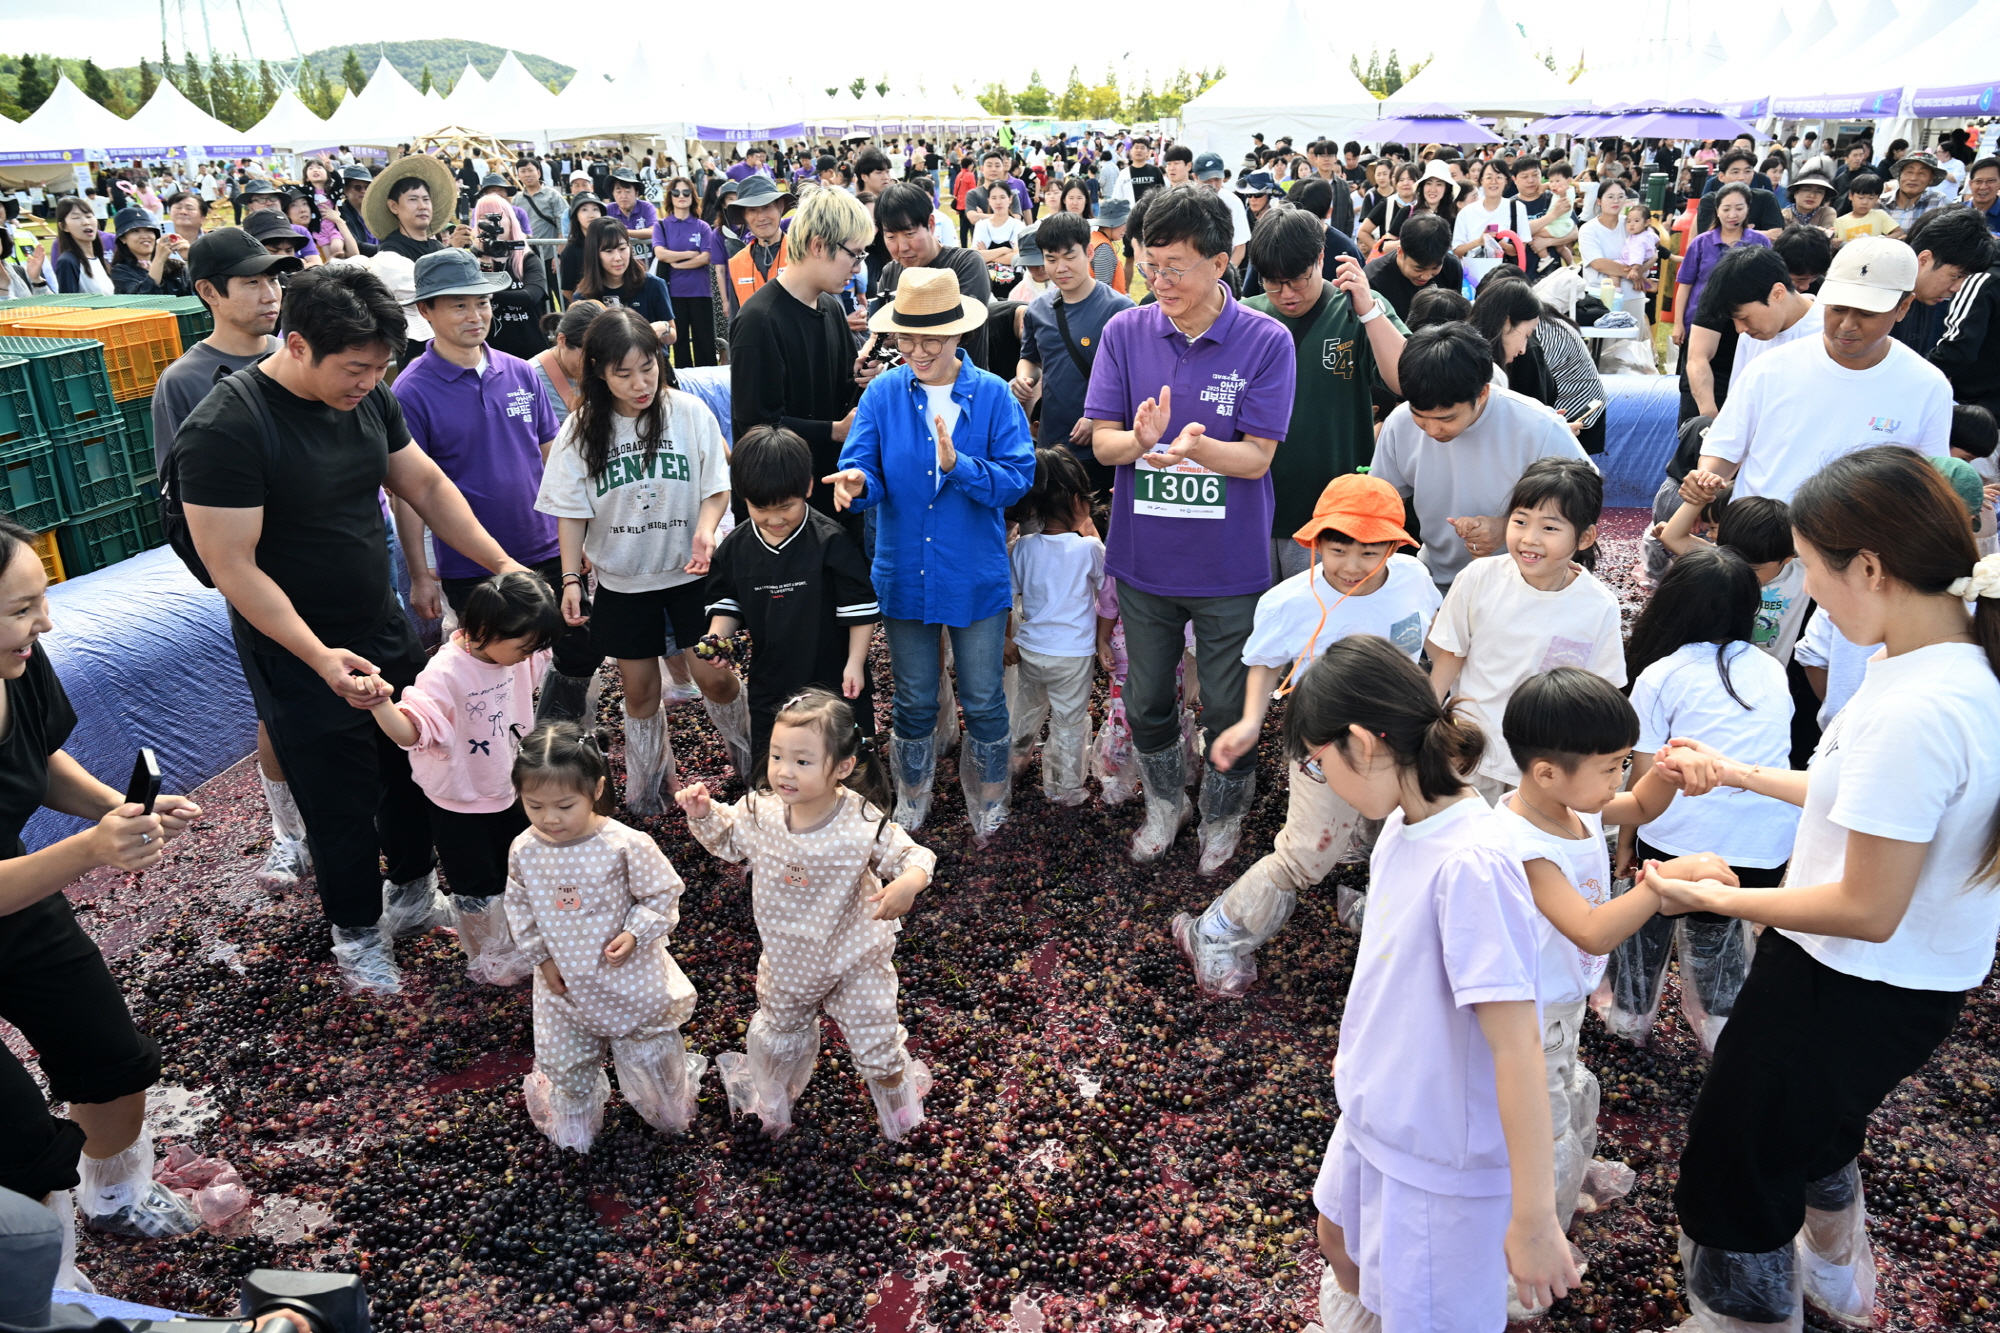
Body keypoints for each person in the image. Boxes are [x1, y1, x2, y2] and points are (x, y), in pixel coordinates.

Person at [1642, 448, 2000, 1330]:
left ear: (1869, 567)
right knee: (1815, 1124)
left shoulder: (1916, 709)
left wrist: (1721, 901)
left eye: (1808, 565)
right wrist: (1741, 775)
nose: (1804, 586)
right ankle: (1837, 1275)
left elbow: (1865, 907)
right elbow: (1866, 801)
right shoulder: (1948, 666)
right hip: (1906, 978)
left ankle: (1748, 1316)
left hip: (1853, 978)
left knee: (1740, 1161)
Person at [175, 265, 531, 994]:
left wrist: (501, 566)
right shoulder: (227, 427)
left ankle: (408, 892)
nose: (369, 382)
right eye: (356, 369)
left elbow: (425, 483)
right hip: (295, 646)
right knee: (337, 797)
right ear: (298, 344)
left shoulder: (369, 402)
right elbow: (231, 566)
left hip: (378, 619)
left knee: (412, 766)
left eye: (380, 369)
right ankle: (356, 933)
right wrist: (314, 653)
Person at [1299, 635, 1579, 1332]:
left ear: (1362, 744)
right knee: (1338, 1238)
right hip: (1378, 1112)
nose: (1318, 776)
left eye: (1317, 760)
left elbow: (1517, 1050)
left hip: (1439, 1159)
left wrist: (1536, 1215)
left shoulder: (1473, 866)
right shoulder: (1402, 827)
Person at [0, 519, 209, 1268]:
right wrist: (89, 850)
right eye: (21, 608)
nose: (44, 622)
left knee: (111, 1059)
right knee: (21, 1149)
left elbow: (36, 751)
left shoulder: (16, 665)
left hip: (15, 898)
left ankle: (114, 1198)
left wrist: (120, 810)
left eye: (42, 600)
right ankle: (43, 1291)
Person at [1083, 185, 1296, 873]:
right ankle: (1164, 801)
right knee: (1144, 698)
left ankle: (1224, 813)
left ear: (1222, 259)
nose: (1159, 279)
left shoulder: (1266, 341)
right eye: (1150, 263)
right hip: (1145, 560)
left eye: (1175, 264)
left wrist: (1199, 448)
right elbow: (1104, 445)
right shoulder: (1125, 332)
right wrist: (1140, 440)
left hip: (1228, 565)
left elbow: (1258, 455)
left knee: (1230, 703)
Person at [1493, 668, 1733, 1251]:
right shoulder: (1524, 846)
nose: (1621, 778)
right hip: (1530, 1014)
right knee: (1542, 1122)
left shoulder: (1578, 805)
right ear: (1548, 772)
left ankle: (1571, 1179)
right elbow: (1594, 931)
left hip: (1564, 997)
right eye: (1611, 766)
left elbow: (1643, 806)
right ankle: (1530, 1242)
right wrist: (1659, 883)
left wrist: (1669, 772)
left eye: (1625, 761)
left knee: (1569, 1089)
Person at [1174, 474, 1440, 996]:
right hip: (1327, 746)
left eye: (1371, 551)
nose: (1352, 566)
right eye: (1338, 549)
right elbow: (1264, 665)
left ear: (1394, 546)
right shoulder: (1289, 602)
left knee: (1403, 830)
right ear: (1314, 543)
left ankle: (1377, 905)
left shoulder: (1413, 579)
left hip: (1400, 734)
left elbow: (1434, 643)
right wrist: (1250, 722)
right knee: (1306, 855)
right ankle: (1215, 931)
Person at [826, 267, 1033, 839]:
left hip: (974, 573)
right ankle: (912, 797)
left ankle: (989, 796)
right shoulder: (884, 393)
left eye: (930, 339)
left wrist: (958, 467)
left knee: (984, 696)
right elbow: (865, 463)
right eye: (906, 338)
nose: (916, 350)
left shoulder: (992, 395)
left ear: (957, 335)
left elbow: (1018, 478)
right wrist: (855, 481)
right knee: (914, 697)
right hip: (904, 571)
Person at [678, 689, 934, 1142]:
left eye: (802, 761)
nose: (783, 771)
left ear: (841, 768)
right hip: (789, 958)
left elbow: (912, 854)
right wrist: (704, 813)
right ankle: (773, 1104)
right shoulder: (762, 813)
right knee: (779, 1033)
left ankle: (901, 1115)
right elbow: (730, 840)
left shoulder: (859, 822)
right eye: (777, 756)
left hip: (855, 956)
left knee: (877, 1042)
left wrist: (908, 884)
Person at [534, 308, 742, 810]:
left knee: (715, 675)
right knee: (641, 693)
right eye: (623, 373)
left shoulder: (688, 413)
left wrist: (706, 531)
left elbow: (717, 488)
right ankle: (651, 790)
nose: (639, 383)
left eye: (647, 367)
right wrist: (569, 579)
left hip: (692, 576)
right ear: (600, 373)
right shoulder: (583, 429)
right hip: (624, 582)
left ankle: (753, 762)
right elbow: (569, 512)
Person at [1598, 547, 1798, 1058]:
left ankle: (1628, 1016)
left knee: (1645, 925)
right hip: (1762, 849)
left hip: (1676, 842)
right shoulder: (1771, 670)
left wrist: (1627, 846)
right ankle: (1719, 1028)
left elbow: (1645, 779)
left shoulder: (1663, 674)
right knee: (1721, 937)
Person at [149, 229, 299, 888]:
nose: (270, 294)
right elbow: (177, 496)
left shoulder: (299, 353)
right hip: (256, 572)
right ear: (209, 292)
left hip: (334, 555)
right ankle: (288, 831)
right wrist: (226, 575)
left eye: (275, 281)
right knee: (282, 711)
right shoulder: (185, 382)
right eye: (253, 283)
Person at [390, 247, 595, 723]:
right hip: (472, 565)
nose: (475, 315)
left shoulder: (521, 372)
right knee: (495, 672)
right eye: (458, 304)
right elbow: (409, 495)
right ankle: (501, 768)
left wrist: (579, 536)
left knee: (579, 649)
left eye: (481, 302)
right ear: (426, 311)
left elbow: (553, 463)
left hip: (547, 547)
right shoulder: (411, 391)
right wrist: (421, 575)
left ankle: (560, 750)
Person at [505, 722, 704, 1151]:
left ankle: (669, 1116)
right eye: (534, 805)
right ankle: (576, 1133)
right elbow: (519, 909)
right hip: (563, 985)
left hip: (626, 977)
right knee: (567, 1061)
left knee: (650, 1051)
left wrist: (635, 933)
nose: (550, 818)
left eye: (564, 805)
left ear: (596, 789)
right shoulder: (525, 849)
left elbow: (662, 893)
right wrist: (542, 959)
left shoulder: (624, 844)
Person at [362, 572, 561, 986]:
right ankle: (490, 958)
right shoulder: (446, 673)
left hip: (510, 784)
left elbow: (539, 654)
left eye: (535, 648)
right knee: (476, 883)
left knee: (519, 867)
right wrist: (380, 703)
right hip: (461, 798)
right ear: (484, 632)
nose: (530, 657)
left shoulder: (515, 655)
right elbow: (410, 732)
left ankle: (525, 939)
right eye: (524, 647)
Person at [1687, 237, 1954, 506]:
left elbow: (1928, 484)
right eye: (1837, 308)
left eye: (1867, 313)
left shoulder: (1927, 387)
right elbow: (1725, 447)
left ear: (1903, 307)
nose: (1847, 325)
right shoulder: (1769, 368)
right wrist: (1705, 481)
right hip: (1755, 539)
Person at [1426, 458, 1625, 802]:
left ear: (1585, 536)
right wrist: (1424, 730)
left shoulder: (1598, 605)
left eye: (1549, 528)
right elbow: (1449, 659)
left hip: (1543, 765)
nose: (1529, 539)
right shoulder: (1478, 578)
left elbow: (1599, 694)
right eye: (1520, 521)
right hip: (1469, 751)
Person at [702, 425, 879, 770]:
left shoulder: (831, 542)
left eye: (786, 506)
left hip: (834, 678)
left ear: (808, 488)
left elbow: (859, 609)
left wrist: (855, 663)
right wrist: (717, 640)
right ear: (743, 497)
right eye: (761, 508)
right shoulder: (735, 549)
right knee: (774, 767)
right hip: (773, 679)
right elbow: (727, 602)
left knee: (848, 764)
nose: (775, 519)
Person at [1242, 211, 1407, 580]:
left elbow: (1404, 381)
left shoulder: (1353, 309)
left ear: (1320, 259)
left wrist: (1368, 310)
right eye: (1273, 282)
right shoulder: (1247, 317)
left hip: (1334, 518)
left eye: (1298, 280)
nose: (1286, 294)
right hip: (1256, 513)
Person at [1368, 323, 1589, 591]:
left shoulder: (1538, 426)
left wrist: (1508, 528)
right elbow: (1380, 503)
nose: (1432, 430)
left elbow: (1586, 498)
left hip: (1523, 586)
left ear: (1482, 393)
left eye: (1446, 418)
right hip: (1436, 581)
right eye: (1420, 417)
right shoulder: (1399, 423)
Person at [729, 187, 875, 543]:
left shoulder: (831, 306)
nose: (858, 268)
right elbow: (757, 424)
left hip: (832, 493)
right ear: (819, 246)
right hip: (780, 509)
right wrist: (834, 430)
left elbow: (831, 391)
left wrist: (858, 378)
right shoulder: (759, 320)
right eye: (854, 255)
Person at [1004, 449, 1105, 806]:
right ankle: (1065, 788)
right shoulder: (1090, 549)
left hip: (1031, 648)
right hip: (1073, 654)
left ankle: (1012, 766)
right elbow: (1107, 593)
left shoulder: (1023, 548)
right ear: (1078, 501)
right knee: (1068, 721)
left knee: (1026, 709)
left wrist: (1006, 637)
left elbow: (1007, 595)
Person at [1011, 211, 1135, 498]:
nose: (1060, 268)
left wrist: (1098, 417)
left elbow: (1133, 381)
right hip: (1052, 445)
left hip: (1101, 449)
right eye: (1051, 259)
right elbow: (1031, 358)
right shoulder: (1037, 310)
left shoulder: (1121, 311)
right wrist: (1023, 379)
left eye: (1069, 256)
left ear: (1089, 252)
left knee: (1096, 530)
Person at [872, 180, 994, 373]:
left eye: (909, 233)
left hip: (963, 385)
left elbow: (965, 333)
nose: (902, 246)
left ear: (930, 224)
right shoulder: (890, 273)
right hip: (909, 388)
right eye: (891, 237)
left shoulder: (966, 264)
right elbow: (881, 338)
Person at [652, 176, 723, 368]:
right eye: (676, 192)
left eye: (686, 192)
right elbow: (660, 253)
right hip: (674, 293)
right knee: (679, 341)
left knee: (705, 342)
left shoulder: (702, 226)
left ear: (692, 196)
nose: (681, 196)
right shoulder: (661, 226)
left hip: (701, 292)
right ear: (670, 197)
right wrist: (689, 254)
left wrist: (678, 264)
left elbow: (706, 257)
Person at [574, 216, 676, 343]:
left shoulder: (653, 284)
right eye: (608, 251)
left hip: (652, 360)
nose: (618, 258)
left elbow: (672, 336)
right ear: (594, 254)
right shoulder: (583, 296)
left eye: (622, 249)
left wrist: (662, 327)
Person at [1361, 213, 1461, 323]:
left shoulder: (1452, 267)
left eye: (1435, 268)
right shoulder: (1374, 279)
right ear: (1400, 252)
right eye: (1419, 269)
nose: (1426, 276)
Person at [722, 175, 798, 319]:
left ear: (780, 206)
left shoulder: (802, 253)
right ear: (744, 215)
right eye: (752, 210)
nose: (761, 217)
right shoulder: (737, 262)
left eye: (766, 207)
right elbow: (736, 321)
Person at [107, 206, 190, 295]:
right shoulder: (121, 271)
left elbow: (198, 291)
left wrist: (190, 258)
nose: (145, 236)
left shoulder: (176, 266)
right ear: (123, 238)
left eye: (149, 230)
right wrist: (159, 260)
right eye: (135, 231)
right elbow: (143, 299)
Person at [47, 198, 111, 295]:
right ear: (64, 226)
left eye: (89, 216)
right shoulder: (68, 262)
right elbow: (69, 304)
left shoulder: (97, 258)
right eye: (76, 218)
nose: (86, 222)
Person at [1881, 150, 1955, 233]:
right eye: (1909, 172)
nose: (1913, 178)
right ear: (1900, 175)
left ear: (1931, 179)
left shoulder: (1940, 203)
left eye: (1921, 173)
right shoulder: (1880, 202)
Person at [558, 193, 605, 298]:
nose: (591, 214)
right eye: (584, 210)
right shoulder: (570, 251)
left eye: (595, 209)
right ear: (576, 216)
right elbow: (567, 290)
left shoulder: (610, 241)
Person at [515, 160, 568, 241]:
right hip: (527, 250)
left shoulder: (552, 195)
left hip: (551, 249)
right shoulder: (517, 199)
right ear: (518, 176)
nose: (527, 174)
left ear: (538, 173)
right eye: (523, 171)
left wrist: (561, 246)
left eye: (530, 170)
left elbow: (563, 221)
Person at [335, 165, 377, 257]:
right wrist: (386, 249)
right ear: (345, 190)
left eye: (367, 187)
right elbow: (358, 245)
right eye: (358, 187)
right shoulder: (340, 213)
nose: (363, 191)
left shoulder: (377, 211)